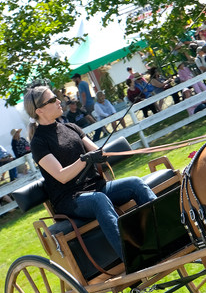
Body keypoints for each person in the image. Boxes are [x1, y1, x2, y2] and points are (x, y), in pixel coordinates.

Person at [25, 85, 156, 260]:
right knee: (98, 199)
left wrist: (100, 156)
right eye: (52, 100)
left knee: (136, 183)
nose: (58, 101)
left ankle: (168, 232)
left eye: (56, 97)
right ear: (39, 110)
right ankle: (132, 258)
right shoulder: (39, 142)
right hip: (71, 200)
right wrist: (84, 159)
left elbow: (97, 152)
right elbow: (62, 176)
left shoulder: (71, 127)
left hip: (97, 187)